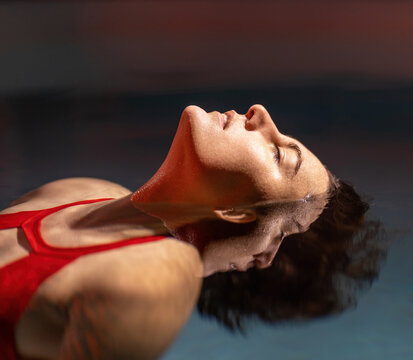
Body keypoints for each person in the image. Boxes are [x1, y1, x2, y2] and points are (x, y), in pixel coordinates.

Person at [0, 104, 385, 360]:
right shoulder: (78, 191)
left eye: (278, 154)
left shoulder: (154, 277)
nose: (261, 114)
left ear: (238, 214)